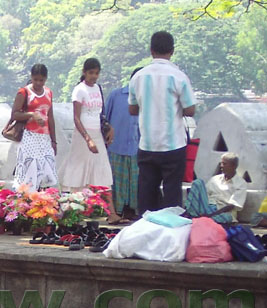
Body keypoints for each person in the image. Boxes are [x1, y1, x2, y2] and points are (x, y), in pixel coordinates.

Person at [129, 31, 196, 215]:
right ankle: (170, 233)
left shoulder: (138, 77)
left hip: (147, 144)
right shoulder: (179, 76)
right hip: (173, 144)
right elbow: (190, 110)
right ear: (172, 51)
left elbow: (132, 109)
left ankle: (145, 230)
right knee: (172, 194)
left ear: (151, 51)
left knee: (146, 193)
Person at [58, 58, 121, 223]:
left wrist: (108, 128)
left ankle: (111, 212)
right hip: (83, 136)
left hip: (97, 133)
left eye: (97, 73)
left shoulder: (98, 88)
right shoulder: (79, 90)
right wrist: (87, 139)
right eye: (91, 73)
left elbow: (100, 114)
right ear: (84, 72)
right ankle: (72, 211)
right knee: (78, 171)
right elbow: (77, 118)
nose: (94, 76)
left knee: (103, 170)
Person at [7, 63, 58, 190]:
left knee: (47, 172)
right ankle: (27, 202)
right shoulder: (24, 92)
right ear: (31, 77)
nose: (38, 83)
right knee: (30, 172)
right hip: (29, 136)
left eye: (41, 80)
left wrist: (54, 140)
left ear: (46, 79)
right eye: (36, 80)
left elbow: (50, 117)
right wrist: (32, 115)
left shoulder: (48, 93)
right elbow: (15, 114)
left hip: (44, 138)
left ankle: (44, 203)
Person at [104, 68, 142, 220]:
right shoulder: (116, 95)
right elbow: (105, 117)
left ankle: (131, 210)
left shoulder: (145, 98)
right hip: (116, 145)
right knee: (117, 181)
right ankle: (116, 211)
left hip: (136, 147)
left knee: (134, 181)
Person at [185, 153, 246, 224]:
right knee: (198, 182)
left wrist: (212, 214)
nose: (221, 166)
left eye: (224, 164)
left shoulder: (241, 183)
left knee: (225, 218)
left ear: (234, 166)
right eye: (221, 163)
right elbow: (204, 196)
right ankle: (194, 215)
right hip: (207, 208)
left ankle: (199, 218)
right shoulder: (215, 179)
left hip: (222, 212)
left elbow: (232, 205)